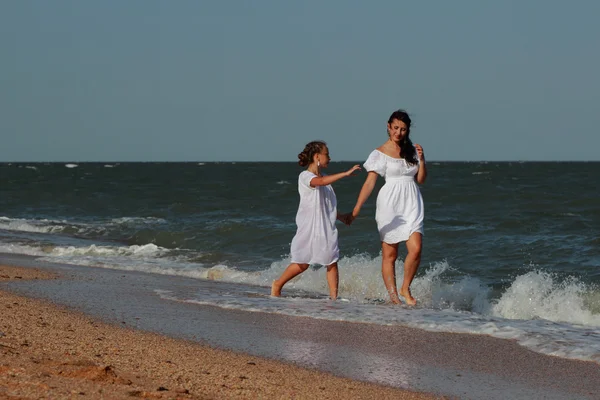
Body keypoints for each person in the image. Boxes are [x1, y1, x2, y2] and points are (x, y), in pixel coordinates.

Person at [350, 110, 427, 305]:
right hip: (389, 204)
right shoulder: (379, 153)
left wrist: (422, 161)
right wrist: (356, 209)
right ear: (388, 126)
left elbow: (421, 179)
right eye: (395, 128)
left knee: (416, 249)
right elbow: (369, 183)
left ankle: (405, 288)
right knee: (390, 254)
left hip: (412, 202)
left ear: (407, 130)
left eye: (403, 129)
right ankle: (394, 298)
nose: (399, 133)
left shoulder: (412, 150)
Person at [271, 141, 360, 300]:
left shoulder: (325, 177)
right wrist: (345, 174)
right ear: (317, 156)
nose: (330, 158)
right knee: (303, 263)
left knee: (331, 260)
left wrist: (341, 217)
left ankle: (334, 299)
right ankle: (277, 284)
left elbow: (326, 205)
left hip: (325, 227)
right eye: (327, 154)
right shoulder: (305, 176)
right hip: (310, 226)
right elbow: (319, 183)